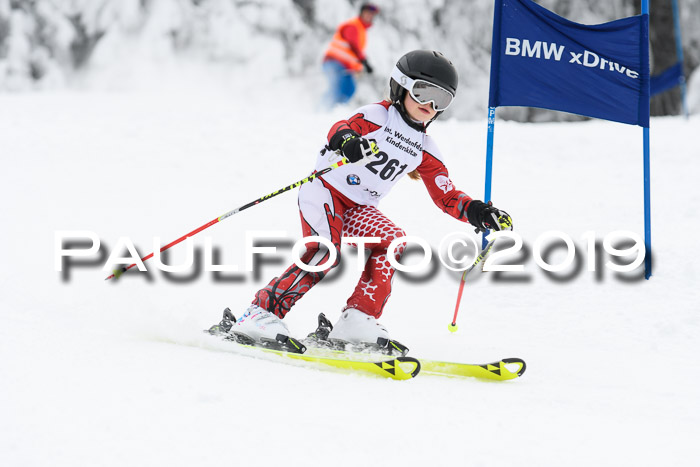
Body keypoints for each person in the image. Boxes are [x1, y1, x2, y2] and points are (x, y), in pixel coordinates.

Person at [235, 50, 513, 346]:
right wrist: (348, 142)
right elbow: (340, 128)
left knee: (393, 240)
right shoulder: (379, 116)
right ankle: (259, 313)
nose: (430, 105)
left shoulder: (425, 148)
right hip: (325, 191)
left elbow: (446, 196)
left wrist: (478, 213)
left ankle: (357, 317)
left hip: (359, 207)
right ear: (402, 86)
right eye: (422, 93)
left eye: (441, 100)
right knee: (324, 252)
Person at [322, 3, 379, 107]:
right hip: (334, 62)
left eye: (372, 14)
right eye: (367, 13)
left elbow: (352, 53)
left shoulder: (361, 29)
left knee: (347, 89)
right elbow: (353, 45)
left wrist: (360, 66)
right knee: (340, 89)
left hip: (344, 65)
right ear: (361, 13)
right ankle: (324, 111)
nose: (369, 16)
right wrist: (364, 62)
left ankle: (332, 111)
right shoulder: (353, 26)